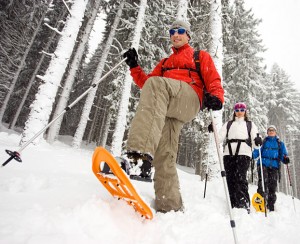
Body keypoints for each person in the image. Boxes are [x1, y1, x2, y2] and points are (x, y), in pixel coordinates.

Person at [122, 19, 224, 213]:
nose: (175, 34)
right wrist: (134, 66)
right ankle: (169, 205)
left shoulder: (198, 56)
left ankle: (138, 157)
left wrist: (217, 97)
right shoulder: (165, 62)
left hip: (189, 98)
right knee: (165, 154)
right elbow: (148, 86)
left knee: (157, 85)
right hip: (167, 105)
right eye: (172, 31)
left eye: (180, 31)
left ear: (188, 35)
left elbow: (213, 78)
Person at [216, 102, 259, 211]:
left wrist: (258, 141)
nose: (239, 112)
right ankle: (232, 203)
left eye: (242, 110)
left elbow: (256, 143)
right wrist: (213, 130)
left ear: (245, 111)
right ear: (234, 111)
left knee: (240, 178)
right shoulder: (229, 124)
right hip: (228, 154)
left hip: (244, 153)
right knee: (230, 178)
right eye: (237, 110)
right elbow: (219, 139)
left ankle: (243, 204)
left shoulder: (250, 124)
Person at [253, 125, 289, 211]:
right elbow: (256, 152)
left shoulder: (280, 143)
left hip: (274, 165)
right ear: (267, 132)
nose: (271, 131)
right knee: (263, 182)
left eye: (273, 130)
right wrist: (252, 155)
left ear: (275, 132)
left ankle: (270, 204)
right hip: (263, 164)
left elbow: (282, 155)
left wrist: (285, 159)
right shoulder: (263, 142)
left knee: (272, 185)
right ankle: (260, 203)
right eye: (269, 130)